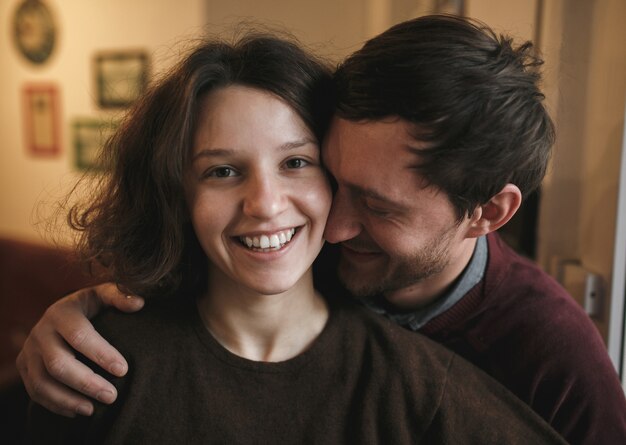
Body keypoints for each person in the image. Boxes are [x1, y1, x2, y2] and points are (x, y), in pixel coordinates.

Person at [18, 15, 626, 444]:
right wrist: (73, 314)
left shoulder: (554, 359)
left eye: (377, 206)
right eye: (335, 177)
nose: (331, 228)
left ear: (487, 214)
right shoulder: (288, 254)